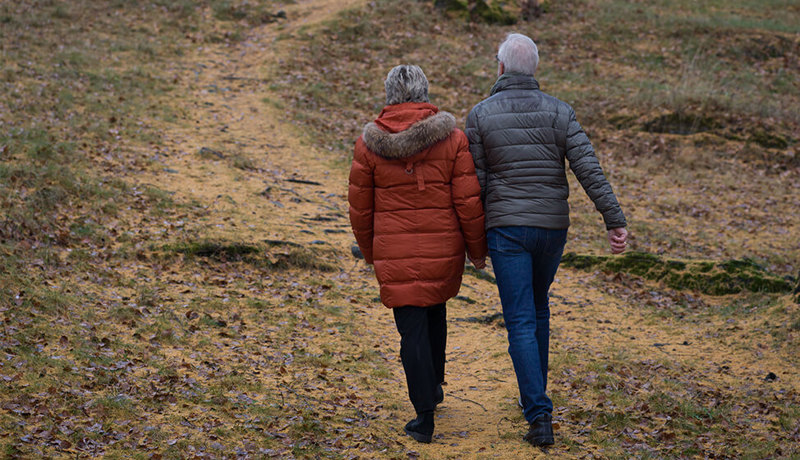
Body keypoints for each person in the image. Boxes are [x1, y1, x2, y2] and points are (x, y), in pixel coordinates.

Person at [465, 33, 628, 447]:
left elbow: (476, 184)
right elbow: (588, 167)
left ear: (500, 67)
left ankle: (538, 413)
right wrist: (614, 218)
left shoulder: (480, 115)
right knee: (538, 308)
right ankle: (533, 402)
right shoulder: (560, 112)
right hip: (552, 228)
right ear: (533, 69)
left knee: (520, 316)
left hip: (505, 229)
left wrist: (474, 242)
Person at [348, 65, 488, 444]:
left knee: (411, 328)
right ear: (424, 93)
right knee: (435, 307)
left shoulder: (369, 143)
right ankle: (434, 387)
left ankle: (424, 413)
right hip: (443, 247)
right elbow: (468, 200)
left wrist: (369, 251)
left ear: (390, 93)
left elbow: (360, 207)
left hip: (394, 250)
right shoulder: (452, 139)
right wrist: (477, 250)